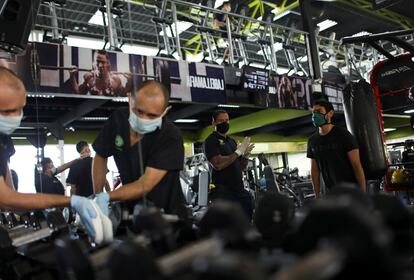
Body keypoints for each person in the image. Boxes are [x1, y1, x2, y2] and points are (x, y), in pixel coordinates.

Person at [0, 66, 105, 241]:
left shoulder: (3, 141)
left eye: (20, 109)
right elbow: (7, 198)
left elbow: (10, 194)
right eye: (8, 111)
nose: (16, 116)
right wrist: (72, 201)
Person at [92, 80, 186, 216]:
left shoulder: (170, 136)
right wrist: (98, 196)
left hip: (166, 215)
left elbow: (144, 184)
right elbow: (101, 155)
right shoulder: (118, 120)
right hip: (129, 212)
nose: (143, 119)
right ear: (129, 99)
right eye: (138, 111)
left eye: (152, 115)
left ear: (166, 111)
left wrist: (107, 197)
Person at [307, 99, 366, 198]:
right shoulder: (312, 141)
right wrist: (317, 195)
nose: (315, 115)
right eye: (314, 112)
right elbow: (315, 170)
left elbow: (356, 165)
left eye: (319, 111)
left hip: (350, 191)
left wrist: (363, 194)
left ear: (330, 113)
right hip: (330, 194)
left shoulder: (343, 135)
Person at [203, 109, 255, 219]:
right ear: (214, 123)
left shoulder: (231, 141)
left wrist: (245, 156)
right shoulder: (211, 141)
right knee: (229, 228)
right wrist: (237, 152)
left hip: (239, 190)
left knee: (246, 222)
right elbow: (217, 164)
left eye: (226, 120)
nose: (225, 123)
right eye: (221, 121)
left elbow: (240, 167)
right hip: (223, 192)